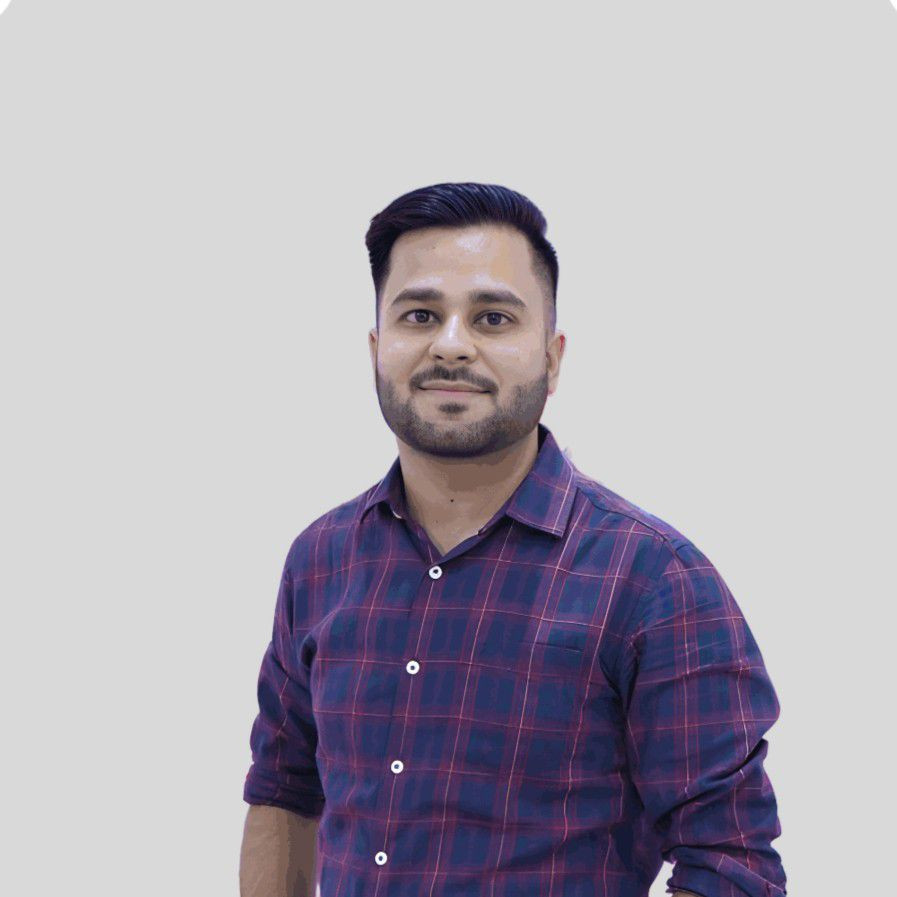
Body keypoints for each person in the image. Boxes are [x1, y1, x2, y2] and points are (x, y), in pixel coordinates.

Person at [238, 182, 787, 897]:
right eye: (419, 315)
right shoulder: (320, 559)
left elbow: (730, 865)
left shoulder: (655, 580)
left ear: (552, 358)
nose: (450, 345)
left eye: (492, 318)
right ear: (377, 348)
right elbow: (283, 789)